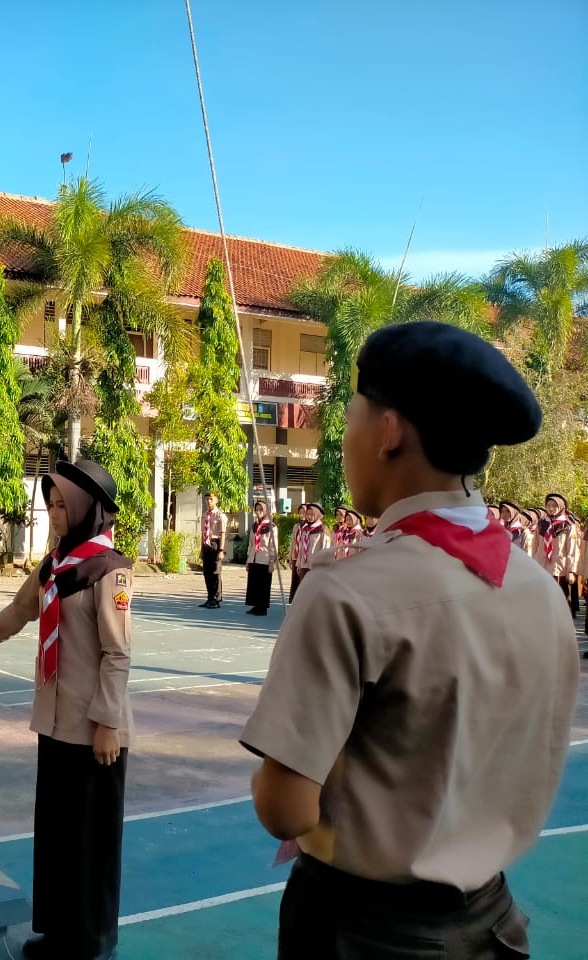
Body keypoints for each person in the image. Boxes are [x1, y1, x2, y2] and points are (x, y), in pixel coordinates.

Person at [241, 321, 578, 959]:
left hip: (365, 930)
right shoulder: (539, 591)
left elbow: (286, 811)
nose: (344, 441)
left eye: (349, 420)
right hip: (494, 921)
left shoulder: (346, 592)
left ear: (389, 431)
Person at [0, 460, 131, 960]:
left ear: (84, 510)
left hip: (95, 731)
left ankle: (90, 940)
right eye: (51, 505)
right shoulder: (53, 565)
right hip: (54, 722)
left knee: (89, 840)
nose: (55, 515)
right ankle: (57, 930)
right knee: (56, 833)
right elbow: (18, 612)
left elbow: (117, 653)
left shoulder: (109, 570)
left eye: (63, 506)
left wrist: (107, 724)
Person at [538, 493, 580, 617]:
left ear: (561, 507)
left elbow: (572, 550)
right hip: (542, 566)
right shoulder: (542, 525)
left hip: (559, 568)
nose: (551, 508)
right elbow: (536, 547)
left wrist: (571, 570)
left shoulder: (568, 526)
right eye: (548, 505)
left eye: (554, 506)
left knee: (561, 600)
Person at [288, 503, 330, 601]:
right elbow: (302, 548)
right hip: (304, 566)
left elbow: (326, 550)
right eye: (308, 514)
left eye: (312, 514)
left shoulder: (323, 530)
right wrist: (298, 564)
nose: (309, 517)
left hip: (315, 567)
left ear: (318, 515)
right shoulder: (305, 529)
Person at [245, 499, 278, 616]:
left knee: (263, 584)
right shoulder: (255, 526)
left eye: (261, 510)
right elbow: (251, 544)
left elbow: (273, 545)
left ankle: (262, 608)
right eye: (256, 509)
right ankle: (255, 605)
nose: (258, 512)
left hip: (265, 558)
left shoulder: (271, 527)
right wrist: (248, 560)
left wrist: (272, 562)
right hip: (254, 557)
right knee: (254, 582)